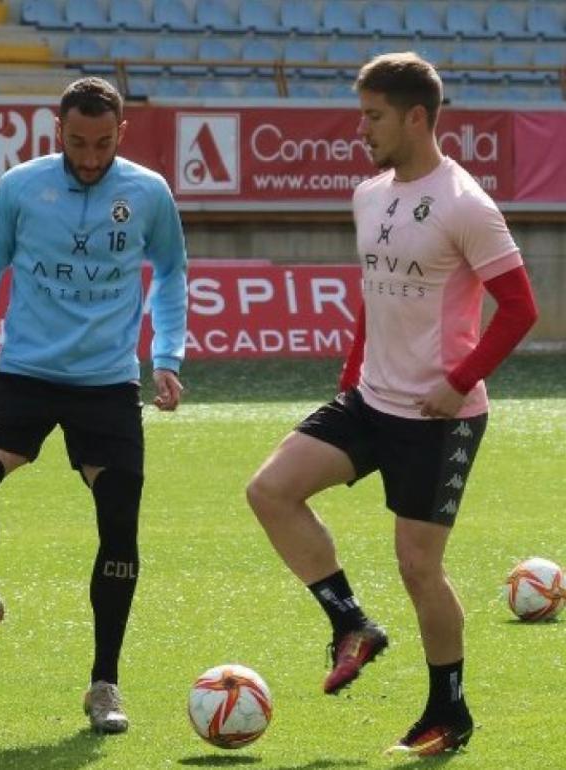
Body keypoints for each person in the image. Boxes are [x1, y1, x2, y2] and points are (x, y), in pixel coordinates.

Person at [245, 53, 539, 756]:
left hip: (442, 416)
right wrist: (352, 374)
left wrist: (459, 378)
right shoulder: (369, 194)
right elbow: (374, 297)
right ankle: (351, 623)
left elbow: (520, 308)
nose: (361, 128)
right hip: (371, 401)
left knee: (417, 566)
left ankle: (450, 710)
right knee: (270, 490)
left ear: (415, 117)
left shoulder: (467, 204)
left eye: (373, 115)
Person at [0, 77, 188, 734]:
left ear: (121, 133)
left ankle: (104, 684)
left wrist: (167, 359)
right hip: (25, 374)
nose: (92, 155)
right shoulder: (21, 188)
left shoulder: (149, 193)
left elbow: (170, 274)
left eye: (103, 143)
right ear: (57, 130)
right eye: (78, 141)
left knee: (119, 524)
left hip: (106, 385)